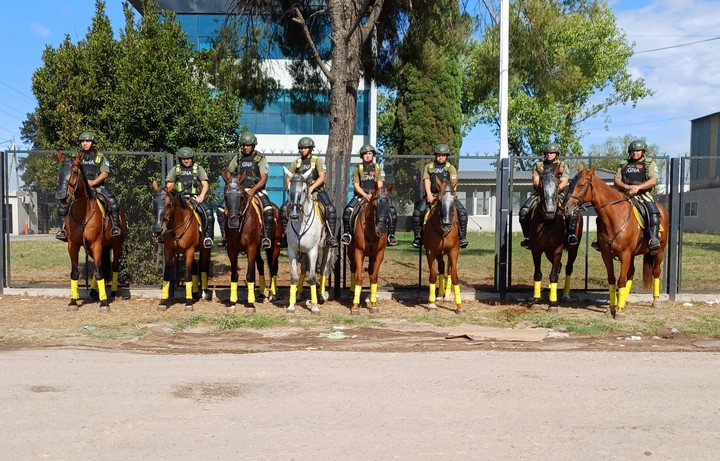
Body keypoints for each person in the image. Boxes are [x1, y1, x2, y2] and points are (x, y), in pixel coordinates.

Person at [56, 131, 121, 241]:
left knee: (113, 203)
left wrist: (93, 182)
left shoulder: (99, 157)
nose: (84, 143)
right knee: (62, 206)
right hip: (79, 189)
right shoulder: (76, 158)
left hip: (97, 187)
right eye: (82, 141)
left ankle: (115, 227)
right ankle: (63, 230)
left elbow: (105, 173)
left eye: (87, 141)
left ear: (93, 143)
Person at [218, 132, 275, 249]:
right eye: (243, 145)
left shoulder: (260, 158)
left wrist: (253, 190)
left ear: (253, 145)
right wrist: (231, 183)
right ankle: (225, 238)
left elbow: (264, 179)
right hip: (239, 191)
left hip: (257, 190)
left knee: (269, 211)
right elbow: (229, 172)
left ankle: (266, 238)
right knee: (220, 210)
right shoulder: (238, 157)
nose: (245, 147)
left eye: (248, 145)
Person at [281, 136, 338, 247]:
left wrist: (311, 188)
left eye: (305, 148)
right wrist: (289, 187)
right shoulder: (296, 162)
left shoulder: (317, 160)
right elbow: (288, 177)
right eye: (301, 148)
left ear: (311, 148)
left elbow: (322, 177)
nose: (302, 150)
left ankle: (330, 236)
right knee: (283, 209)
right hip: (299, 193)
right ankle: (285, 236)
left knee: (331, 209)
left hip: (316, 191)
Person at [411, 144, 469, 249]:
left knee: (463, 213)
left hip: (447, 197)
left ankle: (462, 237)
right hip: (432, 196)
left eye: (443, 155)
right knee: (417, 212)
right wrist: (428, 194)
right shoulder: (429, 167)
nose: (440, 157)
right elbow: (427, 180)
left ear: (447, 156)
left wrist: (450, 196)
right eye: (438, 155)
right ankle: (418, 237)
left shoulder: (451, 168)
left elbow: (454, 183)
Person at [340, 144, 398, 246]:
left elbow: (380, 183)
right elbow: (356, 185)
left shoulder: (378, 168)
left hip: (376, 195)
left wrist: (374, 194)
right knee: (347, 211)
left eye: (370, 153)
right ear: (362, 156)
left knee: (392, 211)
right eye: (365, 153)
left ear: (373, 155)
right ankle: (348, 234)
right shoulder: (357, 169)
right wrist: (366, 195)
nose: (367, 155)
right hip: (361, 196)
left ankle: (390, 235)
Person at [611, 139, 661, 254]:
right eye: (633, 151)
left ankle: (654, 238)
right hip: (625, 194)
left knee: (652, 210)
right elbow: (617, 180)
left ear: (643, 151)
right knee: (609, 210)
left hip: (643, 194)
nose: (635, 153)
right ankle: (601, 239)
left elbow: (653, 180)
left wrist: (638, 188)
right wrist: (627, 187)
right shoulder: (624, 164)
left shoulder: (649, 163)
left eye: (638, 150)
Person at [518, 142, 570, 249]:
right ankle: (528, 238)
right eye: (547, 153)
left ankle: (570, 236)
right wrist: (544, 187)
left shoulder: (563, 166)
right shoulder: (538, 166)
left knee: (572, 212)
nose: (549, 155)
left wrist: (555, 190)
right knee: (523, 212)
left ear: (557, 154)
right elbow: (536, 182)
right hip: (540, 194)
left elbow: (564, 181)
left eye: (552, 153)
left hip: (558, 193)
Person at [164, 147, 214, 249]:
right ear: (180, 159)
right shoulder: (175, 170)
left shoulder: (198, 169)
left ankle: (207, 238)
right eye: (183, 159)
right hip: (178, 199)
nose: (186, 160)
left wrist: (201, 196)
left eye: (188, 158)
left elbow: (205, 184)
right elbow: (169, 185)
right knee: (165, 212)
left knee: (209, 213)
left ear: (192, 158)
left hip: (194, 198)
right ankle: (163, 235)